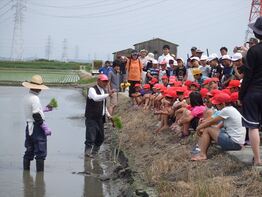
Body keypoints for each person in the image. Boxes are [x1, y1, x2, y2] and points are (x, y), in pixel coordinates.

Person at [192, 93, 246, 161]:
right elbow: (218, 126)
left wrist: (199, 128)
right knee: (209, 129)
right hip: (238, 143)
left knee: (207, 129)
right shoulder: (232, 109)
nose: (215, 106)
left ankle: (202, 154)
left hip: (234, 144)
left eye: (217, 104)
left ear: (222, 104)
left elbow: (212, 121)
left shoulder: (226, 110)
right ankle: (200, 149)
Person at [240, 16, 262, 166]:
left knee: (253, 126)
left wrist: (241, 94)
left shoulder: (253, 51)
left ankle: (258, 160)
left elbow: (247, 77)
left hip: (253, 92)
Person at [22, 75, 52, 172]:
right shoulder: (35, 98)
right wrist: (44, 126)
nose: (41, 90)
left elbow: (33, 111)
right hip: (37, 128)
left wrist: (44, 109)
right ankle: (40, 178)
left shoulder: (27, 97)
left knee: (29, 150)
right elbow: (36, 115)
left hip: (29, 127)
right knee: (40, 152)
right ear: (37, 88)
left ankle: (26, 176)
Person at [84, 74, 114, 157]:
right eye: (103, 81)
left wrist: (108, 115)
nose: (105, 83)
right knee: (91, 137)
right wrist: (108, 94)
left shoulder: (103, 91)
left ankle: (94, 153)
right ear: (98, 81)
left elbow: (103, 105)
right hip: (92, 117)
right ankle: (87, 154)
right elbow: (96, 98)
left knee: (100, 138)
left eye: (106, 81)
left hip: (100, 118)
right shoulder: (92, 89)